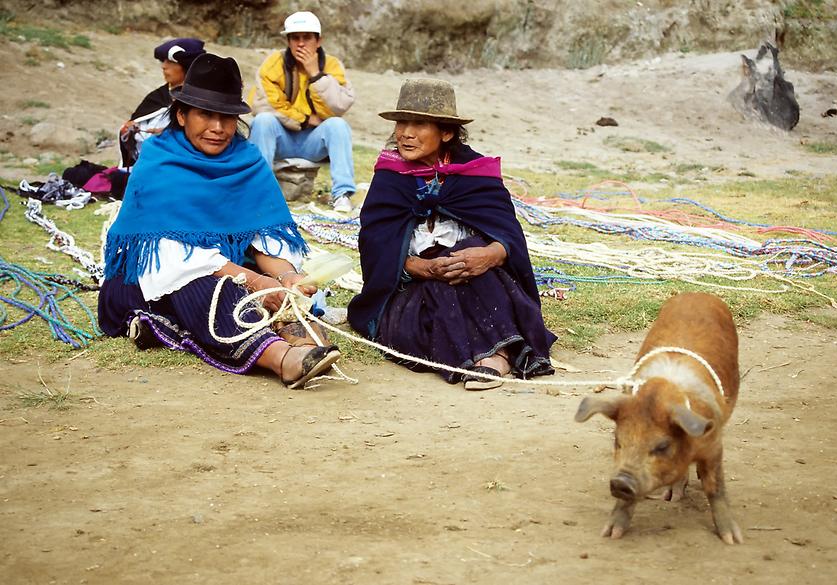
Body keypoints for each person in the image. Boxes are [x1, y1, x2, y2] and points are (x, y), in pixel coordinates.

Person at [99, 54, 341, 389]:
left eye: (227, 117)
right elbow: (175, 257)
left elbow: (262, 234)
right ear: (182, 115)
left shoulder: (247, 160)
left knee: (283, 293)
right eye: (205, 115)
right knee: (208, 288)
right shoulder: (158, 164)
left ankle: (302, 340)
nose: (218, 128)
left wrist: (285, 277)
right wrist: (255, 283)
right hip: (152, 280)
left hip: (232, 269)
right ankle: (281, 358)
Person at [347, 79, 556, 391]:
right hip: (413, 296)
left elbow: (509, 236)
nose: (406, 132)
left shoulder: (476, 174)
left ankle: (489, 356)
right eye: (402, 123)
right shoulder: (390, 177)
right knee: (443, 283)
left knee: (471, 257)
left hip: (481, 284)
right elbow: (376, 247)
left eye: (419, 124)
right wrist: (420, 267)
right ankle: (497, 355)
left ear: (446, 132)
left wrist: (489, 254)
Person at [248, 11, 356, 213]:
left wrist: (315, 74)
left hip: (312, 143)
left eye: (307, 37)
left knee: (338, 126)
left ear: (318, 40)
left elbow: (339, 107)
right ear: (288, 41)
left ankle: (342, 194)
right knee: (262, 121)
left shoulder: (332, 65)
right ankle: (259, 192)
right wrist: (305, 119)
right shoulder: (273, 64)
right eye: (295, 38)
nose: (300, 44)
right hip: (281, 137)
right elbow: (263, 104)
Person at [119, 38, 206, 168]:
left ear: (187, 66)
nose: (164, 66)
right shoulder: (157, 97)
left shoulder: (205, 99)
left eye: (170, 62)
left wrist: (172, 135)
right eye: (163, 61)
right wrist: (128, 130)